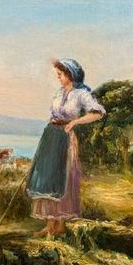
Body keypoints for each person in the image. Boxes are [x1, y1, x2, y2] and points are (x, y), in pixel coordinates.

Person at [27, 59, 105, 237]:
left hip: (66, 137)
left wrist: (76, 122)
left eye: (60, 74)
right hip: (51, 136)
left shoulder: (81, 94)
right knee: (47, 177)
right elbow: (54, 114)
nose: (58, 77)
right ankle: (49, 225)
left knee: (63, 177)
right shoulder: (59, 92)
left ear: (70, 74)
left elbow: (98, 113)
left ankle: (60, 225)